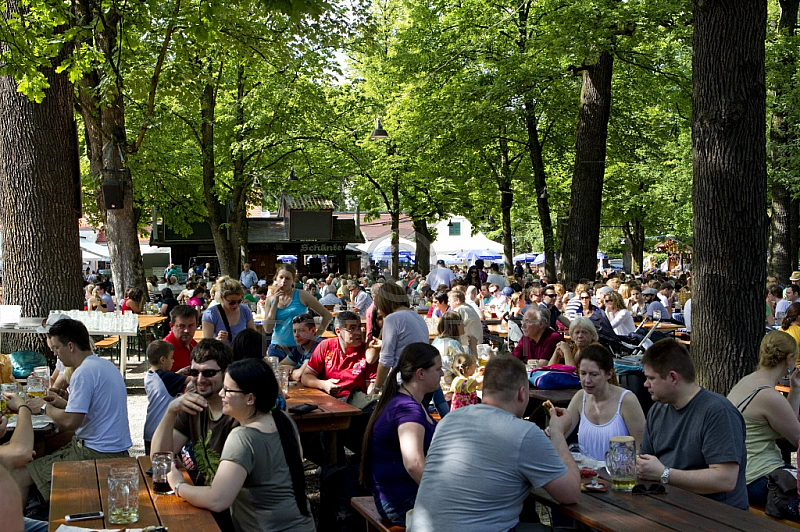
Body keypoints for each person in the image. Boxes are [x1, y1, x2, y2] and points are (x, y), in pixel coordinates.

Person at [407, 356, 579, 531]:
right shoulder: (524, 432)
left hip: (420, 527)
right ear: (521, 393)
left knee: (528, 516)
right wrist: (557, 432)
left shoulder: (448, 420)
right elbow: (571, 494)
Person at [166, 358, 315, 532]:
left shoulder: (243, 437)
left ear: (250, 398)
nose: (221, 393)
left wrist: (178, 485)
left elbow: (217, 500)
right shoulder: (284, 420)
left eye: (227, 390)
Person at [20, 317, 131, 502]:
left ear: (70, 346)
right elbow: (93, 411)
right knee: (45, 453)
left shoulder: (83, 372)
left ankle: (24, 524)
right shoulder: (104, 365)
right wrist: (63, 402)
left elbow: (71, 422)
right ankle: (43, 508)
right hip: (113, 449)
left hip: (96, 453)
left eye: (56, 348)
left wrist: (44, 407)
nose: (56, 354)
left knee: (21, 477)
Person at [636, 339, 749, 509]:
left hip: (717, 518)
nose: (646, 384)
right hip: (670, 510)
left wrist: (664, 474)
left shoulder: (718, 412)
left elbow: (725, 480)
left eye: (651, 378)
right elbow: (647, 465)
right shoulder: (658, 410)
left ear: (673, 377)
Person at [150, 339, 238, 531]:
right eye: (194, 372)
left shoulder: (237, 414)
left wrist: (179, 486)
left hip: (235, 515)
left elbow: (221, 498)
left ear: (226, 372)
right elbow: (159, 458)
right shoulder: (194, 407)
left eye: (208, 373)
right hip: (203, 504)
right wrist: (170, 411)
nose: (199, 379)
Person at [361, 343, 442, 526]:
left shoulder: (406, 400)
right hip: (401, 503)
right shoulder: (408, 410)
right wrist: (444, 495)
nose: (442, 374)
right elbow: (413, 464)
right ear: (420, 374)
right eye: (438, 369)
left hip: (400, 496)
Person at [726, 331, 800, 506]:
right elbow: (798, 439)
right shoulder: (769, 396)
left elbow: (785, 421)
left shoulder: (747, 381)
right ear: (789, 359)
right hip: (760, 477)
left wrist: (796, 389)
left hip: (742, 474)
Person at [548, 344, 645, 461]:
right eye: (583, 373)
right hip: (587, 475)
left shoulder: (627, 400)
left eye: (594, 374)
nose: (587, 380)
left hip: (617, 476)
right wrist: (552, 429)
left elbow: (641, 450)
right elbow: (560, 435)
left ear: (609, 374)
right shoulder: (580, 397)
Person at [301, 311, 378, 398]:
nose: (358, 332)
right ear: (338, 331)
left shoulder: (368, 352)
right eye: (352, 328)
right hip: (328, 401)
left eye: (359, 327)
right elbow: (306, 377)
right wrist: (324, 385)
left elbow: (371, 385)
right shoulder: (325, 346)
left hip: (356, 404)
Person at [264, 265, 332, 360]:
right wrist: (275, 302)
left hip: (298, 349)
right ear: (276, 278)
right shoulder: (270, 300)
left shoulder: (302, 295)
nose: (283, 281)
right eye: (281, 277)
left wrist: (314, 338)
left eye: (287, 278)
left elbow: (327, 316)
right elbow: (267, 329)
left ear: (293, 280)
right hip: (276, 348)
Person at [372, 283, 430, 393]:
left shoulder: (392, 319)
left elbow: (386, 361)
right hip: (421, 380)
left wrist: (376, 388)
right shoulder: (418, 317)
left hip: (403, 383)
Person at [144, 340, 190, 455]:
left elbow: (168, 381)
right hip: (161, 431)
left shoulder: (151, 374)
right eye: (171, 358)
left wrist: (181, 372)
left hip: (150, 428)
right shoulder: (166, 377)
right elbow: (193, 381)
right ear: (163, 360)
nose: (173, 361)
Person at [202, 278, 256, 344]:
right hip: (220, 352)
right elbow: (207, 344)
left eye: (239, 301)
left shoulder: (245, 310)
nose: (236, 305)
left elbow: (253, 336)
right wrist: (217, 340)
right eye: (232, 302)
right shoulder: (210, 314)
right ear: (222, 298)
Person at [284, 313, 320, 381]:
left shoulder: (318, 345)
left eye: (301, 331)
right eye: (294, 331)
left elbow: (300, 376)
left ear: (313, 331)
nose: (296, 335)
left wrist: (289, 372)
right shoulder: (300, 346)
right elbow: (279, 365)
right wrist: (287, 368)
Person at [165, 305, 200, 371]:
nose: (186, 330)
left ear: (196, 325)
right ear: (171, 326)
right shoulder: (165, 350)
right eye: (181, 326)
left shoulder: (193, 344)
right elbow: (162, 379)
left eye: (191, 326)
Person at [447, 290, 482, 356]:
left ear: (457, 300)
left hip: (467, 347)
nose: (448, 304)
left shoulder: (459, 310)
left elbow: (450, 330)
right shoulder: (468, 307)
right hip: (475, 343)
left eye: (449, 301)